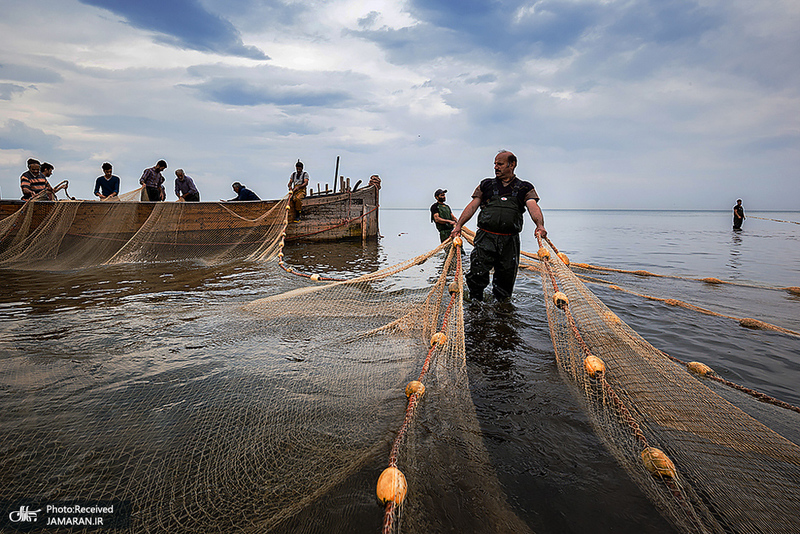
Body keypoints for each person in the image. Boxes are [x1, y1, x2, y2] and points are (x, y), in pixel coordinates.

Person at [451, 150, 547, 302]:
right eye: (495, 164)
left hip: (509, 241)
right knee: (476, 274)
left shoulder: (525, 187)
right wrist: (458, 226)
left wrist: (539, 225)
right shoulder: (486, 185)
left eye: (500, 164)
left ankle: (502, 309)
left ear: (512, 165)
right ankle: (475, 305)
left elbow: (533, 206)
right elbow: (472, 206)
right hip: (485, 238)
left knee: (505, 279)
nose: (496, 167)